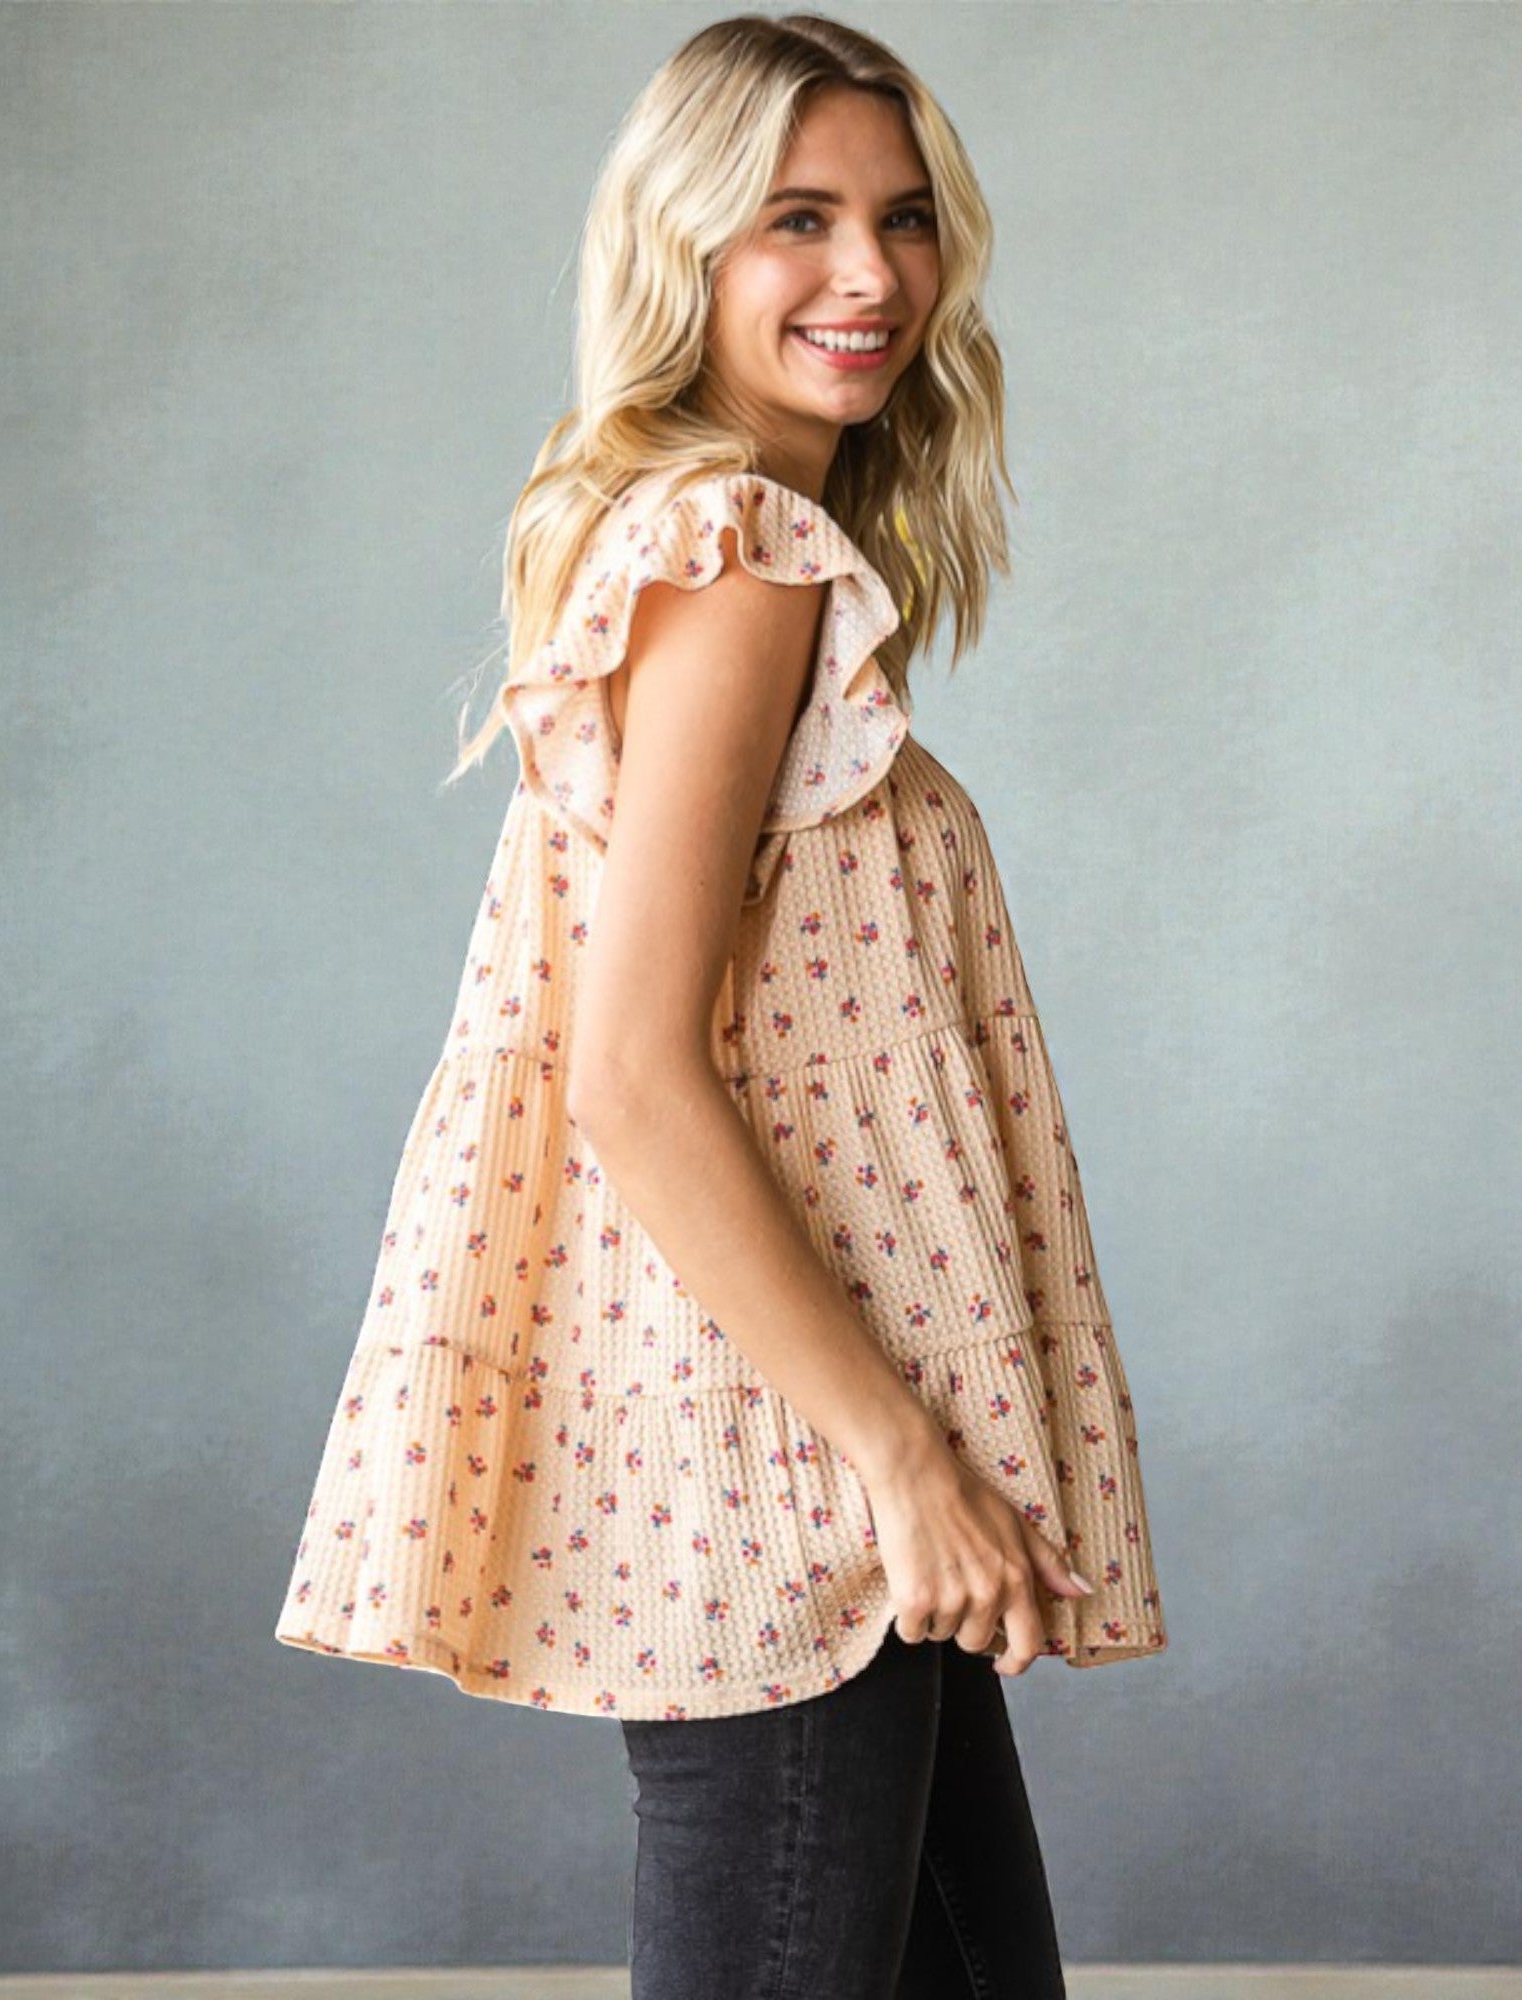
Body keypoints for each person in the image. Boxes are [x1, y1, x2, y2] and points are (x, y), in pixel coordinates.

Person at [274, 12, 1168, 1995]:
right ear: (684, 249)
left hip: (802, 1445)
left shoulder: (724, 542)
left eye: (903, 218)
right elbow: (632, 1072)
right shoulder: (734, 550)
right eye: (795, 219)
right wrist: (901, 1458)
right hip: (779, 1461)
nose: (870, 276)